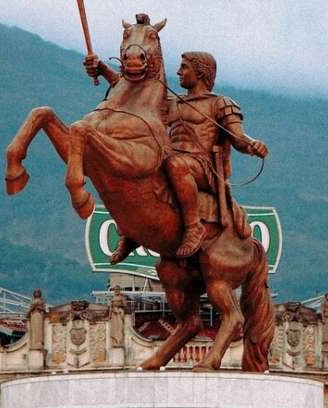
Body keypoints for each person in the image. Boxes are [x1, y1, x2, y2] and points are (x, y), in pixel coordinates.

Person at [84, 51, 268, 261]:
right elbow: (133, 90)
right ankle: (131, 231)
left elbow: (238, 138)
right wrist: (102, 68)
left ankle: (193, 227)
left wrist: (253, 144)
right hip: (171, 159)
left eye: (184, 67)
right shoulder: (173, 102)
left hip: (203, 166)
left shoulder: (221, 103)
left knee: (175, 164)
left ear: (200, 72)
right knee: (137, 167)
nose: (179, 72)